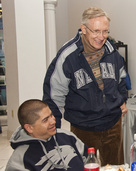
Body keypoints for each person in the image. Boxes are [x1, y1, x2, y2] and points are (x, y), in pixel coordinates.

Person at [43, 7, 127, 166]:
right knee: (85, 168)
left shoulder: (112, 51)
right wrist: (55, 134)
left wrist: (121, 99)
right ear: (83, 29)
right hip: (84, 128)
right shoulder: (67, 57)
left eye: (105, 31)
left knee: (116, 167)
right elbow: (53, 98)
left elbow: (122, 78)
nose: (101, 37)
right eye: (96, 31)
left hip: (113, 125)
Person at [5, 99, 88, 171]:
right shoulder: (20, 159)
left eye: (51, 115)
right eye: (45, 120)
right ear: (29, 128)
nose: (53, 121)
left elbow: (89, 160)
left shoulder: (67, 136)